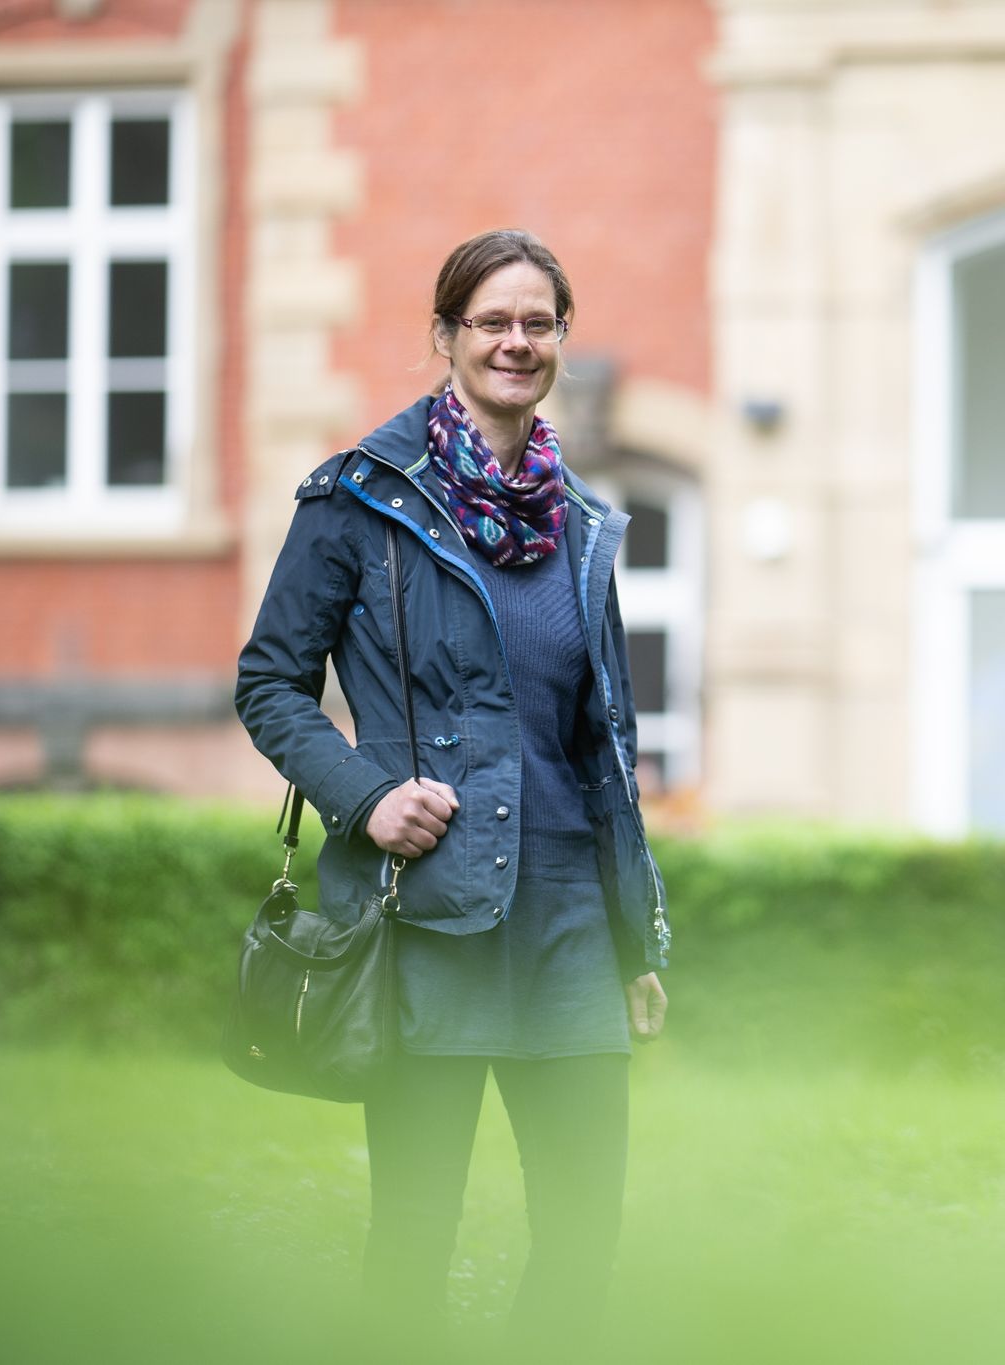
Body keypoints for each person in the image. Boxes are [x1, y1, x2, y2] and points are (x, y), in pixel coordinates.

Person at [235, 228, 670, 1359]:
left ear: (560, 341)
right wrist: (365, 794)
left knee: (584, 1238)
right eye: (492, 321)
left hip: (570, 924)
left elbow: (601, 745)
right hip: (425, 918)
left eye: (538, 323)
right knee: (414, 1238)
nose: (515, 343)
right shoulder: (358, 501)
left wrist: (635, 941)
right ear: (445, 338)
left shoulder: (581, 523)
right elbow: (269, 681)